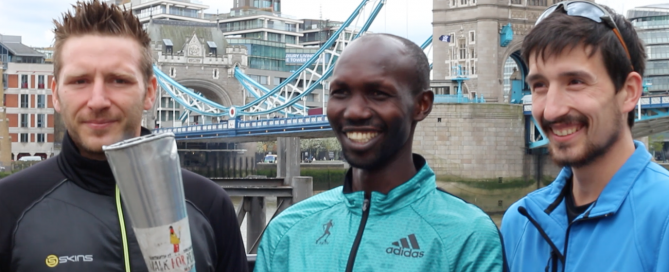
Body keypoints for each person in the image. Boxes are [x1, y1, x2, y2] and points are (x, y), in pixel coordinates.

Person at [0, 1, 248, 271]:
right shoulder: (8, 207)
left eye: (119, 80)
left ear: (150, 92)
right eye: (79, 81)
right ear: (56, 95)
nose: (98, 101)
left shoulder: (210, 205)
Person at [254, 33, 506, 272]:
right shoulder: (287, 230)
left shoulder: (467, 237)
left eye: (378, 94)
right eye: (340, 93)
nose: (354, 112)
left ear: (422, 104)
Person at [501, 2, 669, 271]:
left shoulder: (663, 220)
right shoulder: (519, 223)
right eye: (539, 85)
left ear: (628, 92)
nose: (553, 109)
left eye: (575, 82)